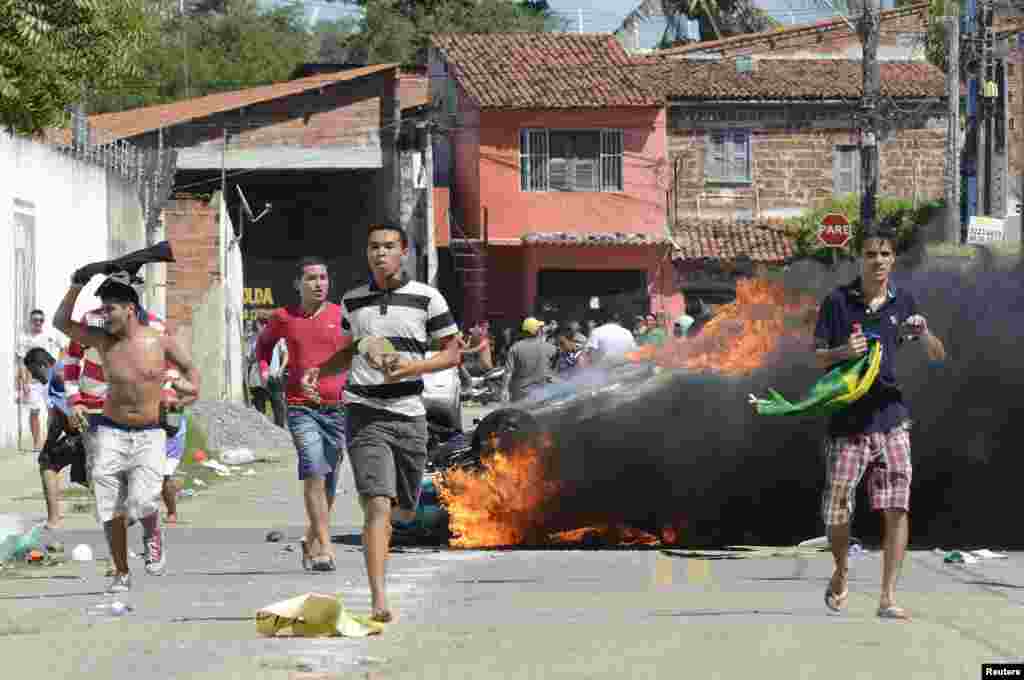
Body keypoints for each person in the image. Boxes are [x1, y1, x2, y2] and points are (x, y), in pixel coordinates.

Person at [314, 224, 463, 622]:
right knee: (376, 504)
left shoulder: (427, 298)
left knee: (404, 511)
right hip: (364, 413)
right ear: (367, 254)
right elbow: (349, 351)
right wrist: (319, 372)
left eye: (389, 247)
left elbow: (452, 354)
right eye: (374, 247)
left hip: (411, 415)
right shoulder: (353, 300)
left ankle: (401, 515)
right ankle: (379, 599)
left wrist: (412, 366)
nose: (381, 253)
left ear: (405, 252)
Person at [814, 225, 945, 621]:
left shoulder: (902, 300)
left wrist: (923, 335)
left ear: (893, 260)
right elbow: (819, 357)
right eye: (871, 254)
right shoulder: (837, 302)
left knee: (897, 507)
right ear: (861, 258)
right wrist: (842, 350)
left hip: (891, 418)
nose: (878, 261)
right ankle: (841, 571)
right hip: (847, 420)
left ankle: (887, 597)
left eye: (885, 254)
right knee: (837, 508)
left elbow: (937, 352)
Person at [54, 269, 199, 593]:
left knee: (143, 503)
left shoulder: (158, 335)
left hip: (150, 432)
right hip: (108, 428)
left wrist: (186, 392)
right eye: (103, 309)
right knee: (109, 505)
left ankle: (152, 533)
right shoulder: (101, 337)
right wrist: (76, 284)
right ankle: (121, 571)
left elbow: (188, 369)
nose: (104, 315)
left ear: (130, 308)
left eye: (111, 309)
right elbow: (62, 324)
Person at [256, 257, 348, 572]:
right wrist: (266, 370)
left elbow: (357, 352)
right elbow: (264, 345)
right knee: (313, 471)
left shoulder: (342, 316)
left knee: (331, 480)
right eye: (311, 278)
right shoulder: (284, 317)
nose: (319, 284)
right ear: (299, 284)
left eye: (323, 277)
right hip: (300, 407)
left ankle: (310, 540)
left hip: (337, 410)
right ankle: (325, 548)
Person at [63, 303, 189, 527]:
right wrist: (74, 400)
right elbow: (71, 360)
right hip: (95, 409)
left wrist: (168, 394)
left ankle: (141, 526)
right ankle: (116, 547)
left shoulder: (155, 326)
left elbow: (170, 366)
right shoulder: (90, 321)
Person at [23, 348, 85, 530]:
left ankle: (54, 520)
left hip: (85, 434)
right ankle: (123, 506)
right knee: (85, 477)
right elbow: (60, 416)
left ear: (42, 365)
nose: (35, 377)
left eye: (34, 372)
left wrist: (47, 446)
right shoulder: (60, 373)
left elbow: (60, 420)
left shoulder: (57, 376)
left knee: (47, 461)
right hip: (84, 435)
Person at [16, 309, 66, 451]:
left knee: (52, 411)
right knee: (34, 412)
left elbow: (63, 348)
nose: (38, 322)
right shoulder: (24, 338)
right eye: (35, 320)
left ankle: (49, 442)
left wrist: (58, 368)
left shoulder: (51, 334)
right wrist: (24, 383)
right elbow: (21, 362)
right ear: (30, 321)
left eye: (40, 320)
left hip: (49, 381)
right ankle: (37, 443)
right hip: (32, 382)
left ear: (43, 321)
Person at [502, 317, 557, 402]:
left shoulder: (515, 348)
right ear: (537, 331)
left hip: (519, 395)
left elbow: (508, 372)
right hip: (540, 394)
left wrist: (504, 390)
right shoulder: (547, 347)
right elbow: (559, 355)